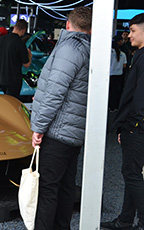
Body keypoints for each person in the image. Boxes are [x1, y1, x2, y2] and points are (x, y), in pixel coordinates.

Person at [30, 6, 92, 229]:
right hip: (74, 131)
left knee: (48, 188)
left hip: (58, 130)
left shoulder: (69, 49)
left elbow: (54, 92)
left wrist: (39, 127)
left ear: (67, 24)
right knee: (65, 187)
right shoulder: (89, 49)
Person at [102, 13, 144, 230]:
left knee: (131, 173)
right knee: (132, 173)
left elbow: (138, 96)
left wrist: (131, 125)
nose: (128, 35)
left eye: (133, 30)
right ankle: (126, 220)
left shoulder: (142, 57)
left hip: (137, 127)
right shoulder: (139, 55)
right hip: (135, 125)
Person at [0, 19, 32, 99]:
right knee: (11, 103)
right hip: (13, 80)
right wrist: (29, 55)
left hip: (0, 78)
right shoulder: (20, 43)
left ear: (14, 27)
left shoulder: (0, 40)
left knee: (4, 100)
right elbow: (26, 64)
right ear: (23, 30)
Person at [108, 36, 127, 112]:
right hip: (118, 75)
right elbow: (124, 65)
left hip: (110, 74)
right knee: (116, 91)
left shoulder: (109, 53)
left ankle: (108, 106)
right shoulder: (123, 54)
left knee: (109, 91)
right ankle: (114, 107)